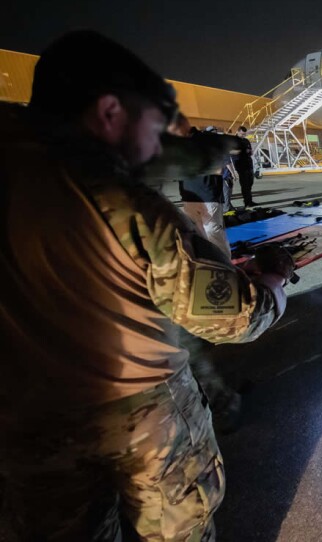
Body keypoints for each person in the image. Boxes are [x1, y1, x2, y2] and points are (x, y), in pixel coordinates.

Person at [0, 31, 292, 541]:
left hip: (29, 418)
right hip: (140, 414)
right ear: (111, 112)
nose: (157, 146)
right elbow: (235, 318)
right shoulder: (125, 206)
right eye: (153, 126)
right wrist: (271, 278)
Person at [179, 126, 233, 258]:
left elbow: (220, 165)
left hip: (208, 193)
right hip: (189, 194)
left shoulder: (209, 140)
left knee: (212, 230)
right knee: (196, 231)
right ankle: (206, 258)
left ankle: (224, 262)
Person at [234, 125, 257, 207]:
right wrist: (244, 151)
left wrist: (250, 152)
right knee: (245, 185)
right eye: (242, 134)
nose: (243, 136)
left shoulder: (246, 140)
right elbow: (233, 152)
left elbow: (250, 150)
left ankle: (250, 200)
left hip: (249, 164)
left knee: (250, 183)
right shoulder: (234, 141)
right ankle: (247, 202)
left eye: (244, 134)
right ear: (238, 132)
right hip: (241, 165)